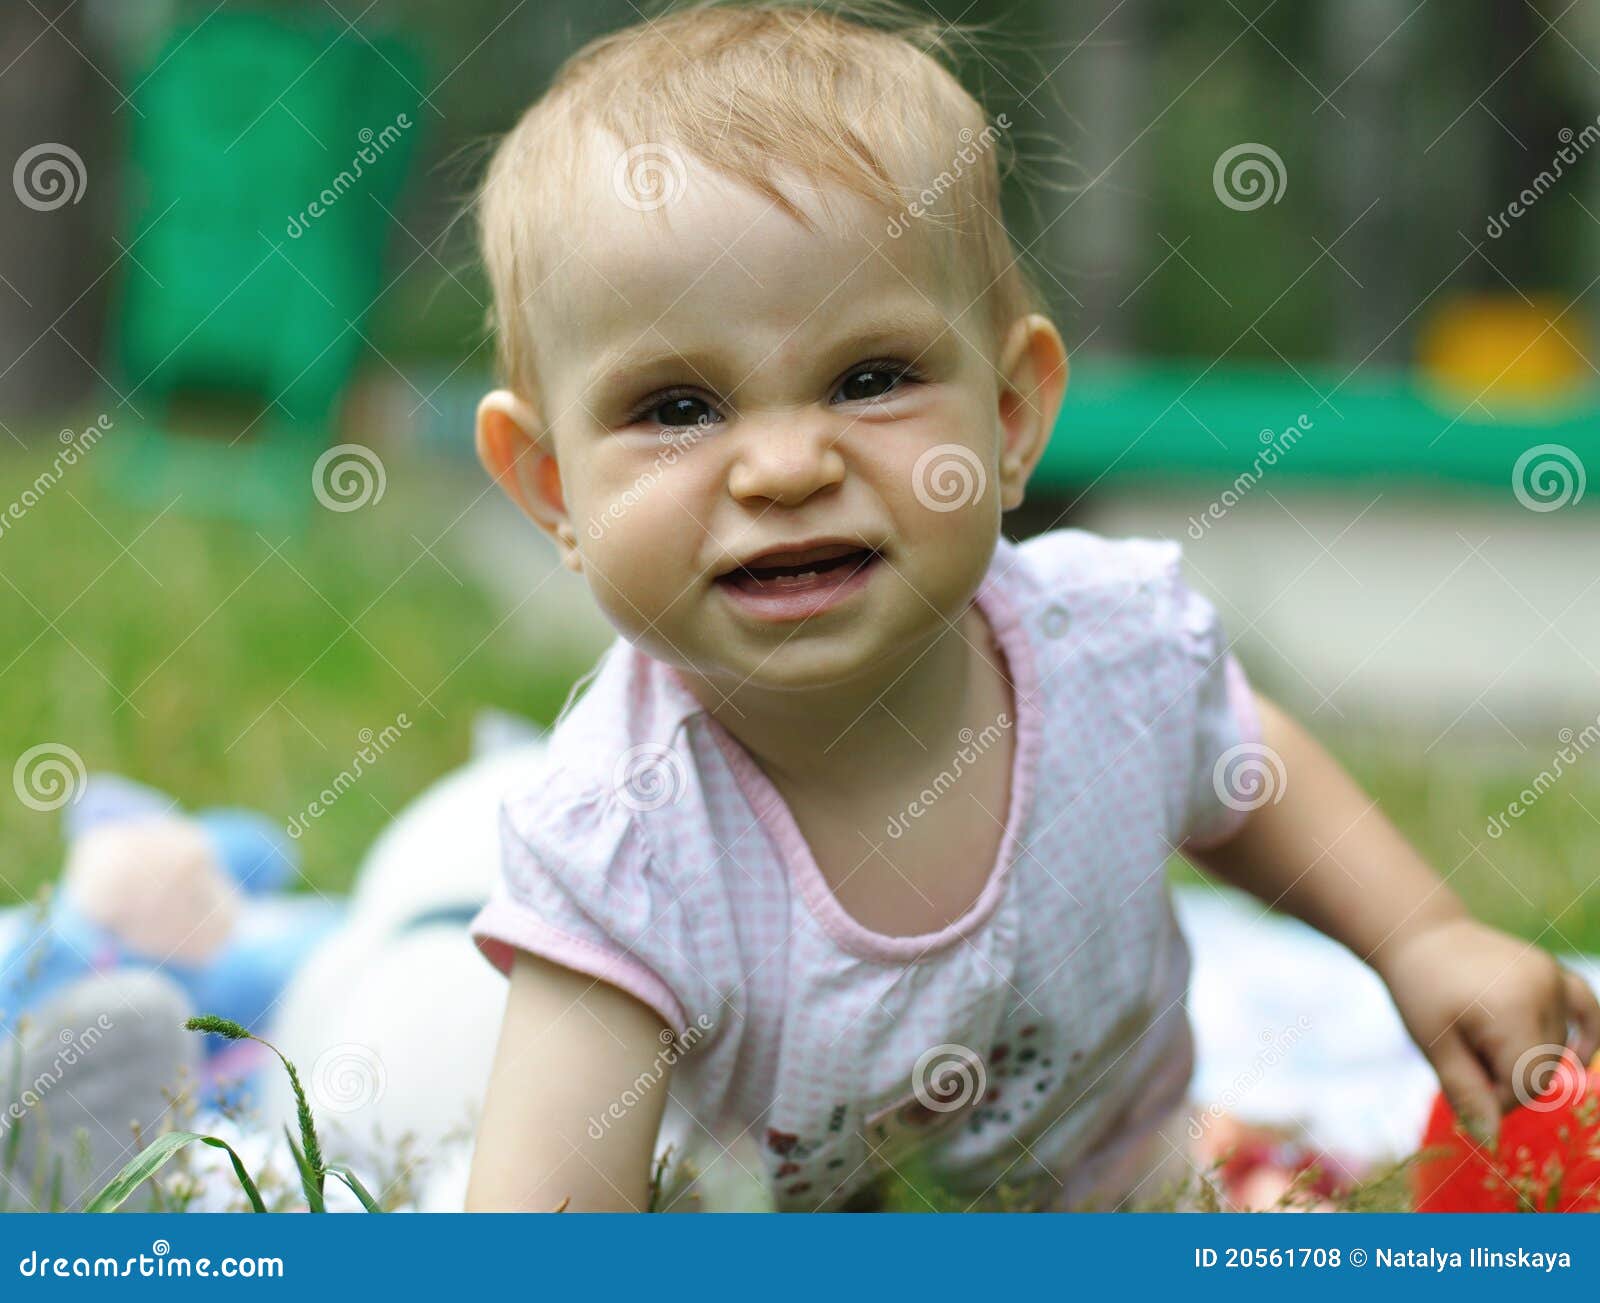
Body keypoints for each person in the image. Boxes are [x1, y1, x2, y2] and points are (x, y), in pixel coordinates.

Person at [462, 0, 1599, 1212]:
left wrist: (1419, 938)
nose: (785, 466)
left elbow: (1241, 760)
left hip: (1125, 1192)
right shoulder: (630, 849)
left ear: (1008, 419)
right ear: (552, 488)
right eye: (678, 408)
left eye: (871, 379)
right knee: (414, 1025)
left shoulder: (1104, 647)